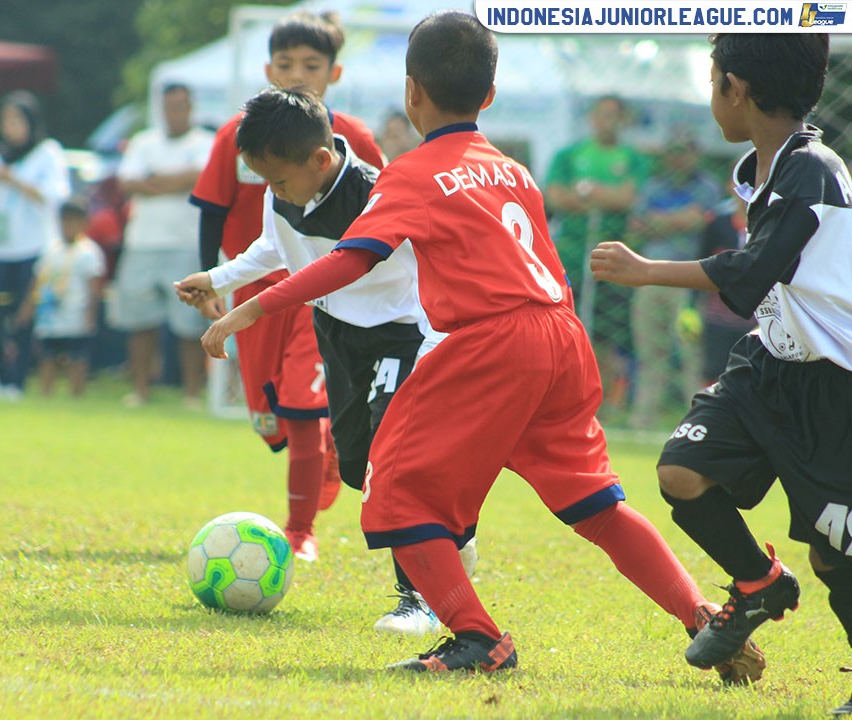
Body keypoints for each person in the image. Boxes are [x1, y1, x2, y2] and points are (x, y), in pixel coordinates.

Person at [199, 12, 764, 681]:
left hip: (492, 344)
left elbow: (352, 260)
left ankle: (477, 638)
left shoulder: (410, 174)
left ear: (412, 94)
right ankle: (704, 618)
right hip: (559, 335)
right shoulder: (511, 169)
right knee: (596, 504)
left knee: (396, 489)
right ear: (488, 96)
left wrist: (254, 305)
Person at [592, 34, 852, 716]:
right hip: (767, 362)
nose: (712, 99)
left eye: (712, 84)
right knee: (681, 469)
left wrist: (646, 269)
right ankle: (759, 582)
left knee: (834, 555)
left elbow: (749, 274)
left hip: (831, 385)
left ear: (734, 88)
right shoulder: (759, 168)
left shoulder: (812, 170)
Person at [178, 88, 463, 588]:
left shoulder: (378, 193)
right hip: (336, 332)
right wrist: (217, 277)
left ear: (321, 158)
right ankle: (439, 526)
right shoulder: (282, 188)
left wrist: (242, 311)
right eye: (266, 181)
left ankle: (416, 594)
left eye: (280, 180)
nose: (274, 190)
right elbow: (276, 246)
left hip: (401, 333)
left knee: (392, 460)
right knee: (357, 469)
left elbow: (352, 267)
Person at [185, 10, 401, 615]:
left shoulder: (354, 141)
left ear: (333, 73)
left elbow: (378, 231)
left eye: (311, 66)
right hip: (260, 288)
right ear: (266, 70)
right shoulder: (240, 135)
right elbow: (222, 214)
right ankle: (318, 446)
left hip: (327, 300)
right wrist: (214, 281)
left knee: (307, 413)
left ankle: (300, 530)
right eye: (286, 65)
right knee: (269, 420)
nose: (299, 75)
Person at [107, 83, 214, 408]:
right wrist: (175, 180)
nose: (175, 113)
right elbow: (125, 182)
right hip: (142, 242)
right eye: (169, 106)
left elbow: (199, 179)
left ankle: (192, 393)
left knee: (189, 322)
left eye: (181, 105)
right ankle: (140, 389)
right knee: (140, 320)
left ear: (191, 107)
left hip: (185, 241)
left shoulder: (205, 142)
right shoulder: (143, 141)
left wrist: (152, 180)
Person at [545, 95, 650, 421]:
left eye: (613, 116)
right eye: (600, 115)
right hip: (573, 256)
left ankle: (604, 403)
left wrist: (590, 194)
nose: (606, 121)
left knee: (607, 337)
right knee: (565, 329)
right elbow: (554, 195)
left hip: (615, 259)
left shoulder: (632, 158)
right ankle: (562, 402)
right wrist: (604, 198)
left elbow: (629, 197)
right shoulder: (570, 154)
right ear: (591, 118)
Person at [0, 90, 71, 400]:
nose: (11, 127)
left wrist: (12, 180)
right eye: (6, 120)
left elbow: (55, 197)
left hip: (34, 247)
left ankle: (18, 381)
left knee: (25, 317)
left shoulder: (47, 153)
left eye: (17, 120)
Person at [625, 131, 720, 429]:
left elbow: (697, 221)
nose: (678, 158)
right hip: (650, 276)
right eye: (673, 151)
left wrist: (658, 221)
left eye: (684, 151)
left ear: (695, 154)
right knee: (650, 350)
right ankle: (645, 419)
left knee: (691, 352)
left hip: (690, 277)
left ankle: (698, 420)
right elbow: (637, 226)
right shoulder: (654, 185)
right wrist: (677, 220)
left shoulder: (707, 187)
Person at [15, 199, 105, 397]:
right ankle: (46, 394)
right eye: (64, 221)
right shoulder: (50, 249)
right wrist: (27, 308)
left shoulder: (89, 252)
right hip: (50, 313)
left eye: (73, 221)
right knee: (47, 356)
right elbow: (38, 280)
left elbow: (93, 287)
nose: (68, 226)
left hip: (75, 314)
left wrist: (91, 315)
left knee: (77, 358)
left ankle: (76, 395)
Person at [696, 190, 756, 386]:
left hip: (757, 323)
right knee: (714, 378)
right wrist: (691, 307)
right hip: (718, 319)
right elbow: (700, 264)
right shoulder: (718, 223)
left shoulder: (775, 225)